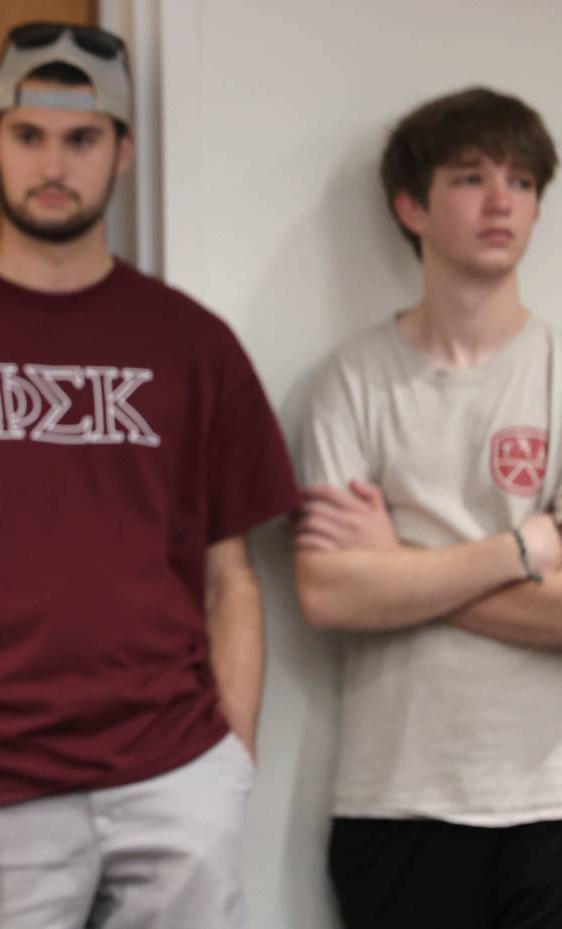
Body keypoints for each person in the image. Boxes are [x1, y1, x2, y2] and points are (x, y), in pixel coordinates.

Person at [0, 22, 298, 929]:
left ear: (123, 152)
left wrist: (228, 770)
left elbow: (233, 583)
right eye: (30, 134)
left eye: (83, 138)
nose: (55, 162)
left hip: (176, 783)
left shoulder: (193, 345)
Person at [295, 87, 562, 929]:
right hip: (395, 800)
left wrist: (399, 567)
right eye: (472, 177)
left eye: (522, 183)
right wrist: (521, 547)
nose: (500, 201)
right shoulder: (351, 381)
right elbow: (329, 595)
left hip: (548, 803)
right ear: (411, 205)